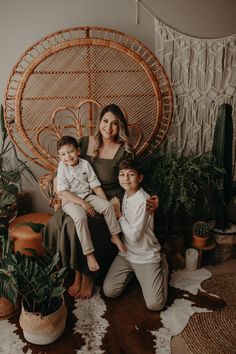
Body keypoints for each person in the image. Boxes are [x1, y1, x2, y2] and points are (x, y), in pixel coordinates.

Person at [42, 104, 158, 300]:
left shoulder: (123, 151)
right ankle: (77, 273)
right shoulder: (85, 142)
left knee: (80, 222)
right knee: (63, 222)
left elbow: (133, 177)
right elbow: (65, 163)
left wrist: (151, 198)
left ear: (120, 127)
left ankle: (88, 276)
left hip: (107, 198)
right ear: (99, 122)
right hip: (77, 196)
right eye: (105, 121)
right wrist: (57, 184)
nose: (108, 127)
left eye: (115, 124)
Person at [103, 158, 168, 311]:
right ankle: (134, 274)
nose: (125, 179)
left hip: (145, 256)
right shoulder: (125, 193)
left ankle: (162, 265)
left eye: (131, 174)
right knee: (109, 291)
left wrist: (118, 214)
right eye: (122, 174)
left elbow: (134, 237)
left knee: (155, 305)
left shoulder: (144, 201)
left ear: (139, 178)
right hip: (126, 254)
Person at [56, 135, 126, 272]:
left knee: (107, 206)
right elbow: (63, 192)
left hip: (87, 195)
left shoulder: (85, 164)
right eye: (63, 154)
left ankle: (115, 236)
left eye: (70, 151)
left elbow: (95, 185)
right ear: (59, 156)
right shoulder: (62, 168)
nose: (67, 156)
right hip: (70, 200)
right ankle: (89, 254)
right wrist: (83, 204)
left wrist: (106, 203)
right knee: (80, 218)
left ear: (78, 151)